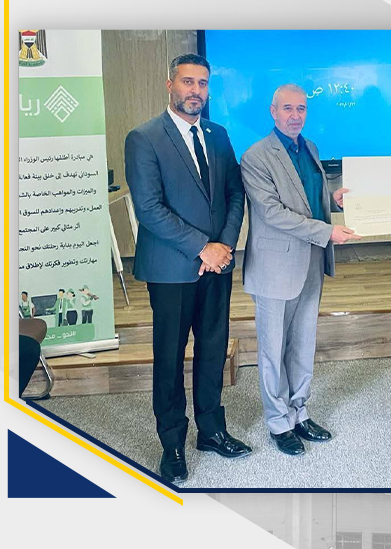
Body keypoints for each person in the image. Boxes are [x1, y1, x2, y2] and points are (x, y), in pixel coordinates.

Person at [125, 53, 250, 483]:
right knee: (170, 357)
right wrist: (203, 248)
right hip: (171, 269)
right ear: (170, 85)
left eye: (202, 83)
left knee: (213, 350)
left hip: (218, 265)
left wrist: (225, 245)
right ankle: (172, 443)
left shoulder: (218, 134)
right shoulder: (144, 138)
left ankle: (212, 431)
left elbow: (235, 193)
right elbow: (149, 208)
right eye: (187, 82)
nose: (195, 91)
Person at [240, 84, 358, 456]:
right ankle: (279, 422)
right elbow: (273, 213)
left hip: (310, 261)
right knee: (273, 350)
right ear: (273, 111)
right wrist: (327, 232)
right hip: (274, 267)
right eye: (288, 108)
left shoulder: (311, 148)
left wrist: (332, 200)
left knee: (303, 343)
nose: (295, 116)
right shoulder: (256, 156)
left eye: (301, 109)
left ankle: (300, 412)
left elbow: (308, 200)